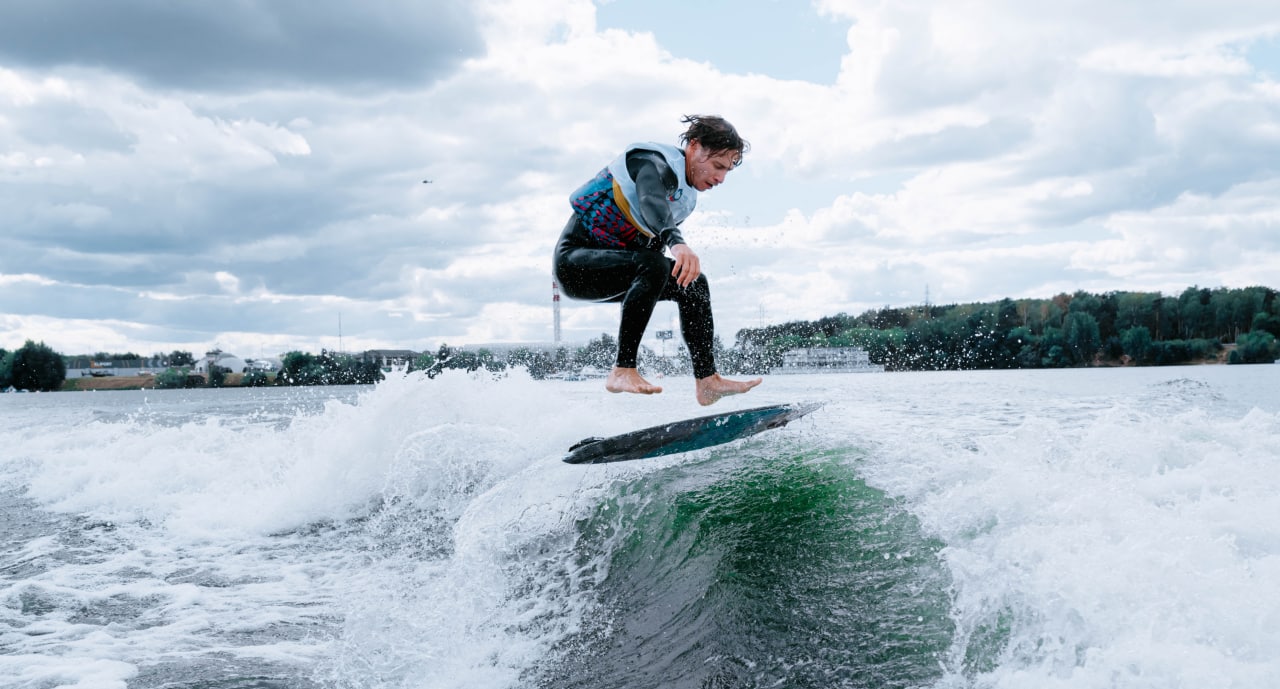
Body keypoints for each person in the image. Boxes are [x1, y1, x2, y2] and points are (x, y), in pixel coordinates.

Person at [553, 115, 762, 406]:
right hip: (575, 264)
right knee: (652, 262)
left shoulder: (685, 196)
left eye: (727, 171)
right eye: (717, 166)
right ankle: (623, 369)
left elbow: (651, 238)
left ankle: (707, 381)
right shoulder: (651, 161)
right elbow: (651, 199)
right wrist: (677, 243)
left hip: (617, 269)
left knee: (693, 283)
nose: (721, 178)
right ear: (695, 147)